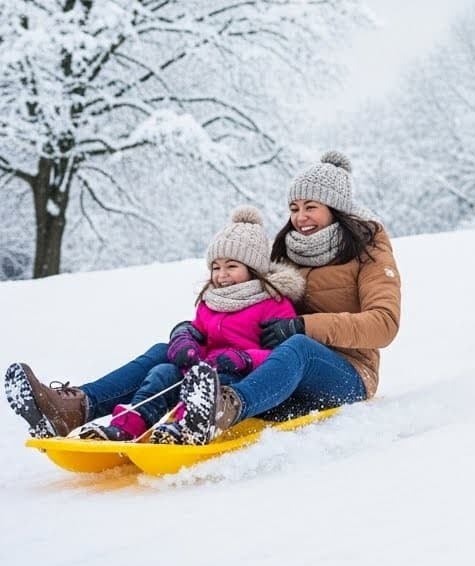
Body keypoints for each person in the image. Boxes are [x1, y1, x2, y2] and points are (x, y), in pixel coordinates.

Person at [6, 151, 402, 446]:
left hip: (343, 375)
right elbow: (241, 297)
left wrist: (302, 325)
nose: (300, 217)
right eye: (294, 208)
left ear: (336, 210)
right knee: (169, 350)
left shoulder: (369, 250)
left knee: (298, 347)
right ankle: (76, 407)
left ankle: (220, 409)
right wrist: (190, 333)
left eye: (311, 207)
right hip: (269, 369)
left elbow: (384, 324)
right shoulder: (284, 250)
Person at [75, 206, 305, 443]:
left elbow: (283, 358)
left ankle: (186, 427)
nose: (222, 274)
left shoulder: (273, 303)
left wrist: (245, 359)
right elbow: (200, 333)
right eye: (216, 267)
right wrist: (184, 341)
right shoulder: (211, 301)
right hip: (201, 370)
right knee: (161, 373)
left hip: (240, 380)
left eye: (232, 266)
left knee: (214, 386)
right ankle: (127, 427)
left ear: (254, 270)